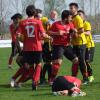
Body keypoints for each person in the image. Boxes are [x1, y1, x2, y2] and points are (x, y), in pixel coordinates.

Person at [17, 5, 51, 90]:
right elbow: (43, 34)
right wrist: (49, 37)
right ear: (34, 13)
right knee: (39, 64)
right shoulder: (38, 22)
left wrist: (21, 39)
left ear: (26, 12)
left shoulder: (22, 22)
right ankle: (35, 81)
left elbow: (18, 35)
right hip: (37, 46)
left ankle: (33, 80)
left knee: (31, 65)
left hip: (27, 48)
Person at [49, 10, 78, 84]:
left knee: (76, 60)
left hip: (67, 46)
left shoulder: (70, 24)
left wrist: (75, 32)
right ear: (65, 18)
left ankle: (73, 78)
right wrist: (57, 33)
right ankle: (52, 79)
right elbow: (48, 32)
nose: (71, 19)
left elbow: (74, 35)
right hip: (58, 46)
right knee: (58, 62)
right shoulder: (56, 24)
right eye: (70, 17)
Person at [69, 3, 89, 84]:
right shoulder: (71, 18)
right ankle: (73, 78)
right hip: (75, 43)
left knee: (81, 61)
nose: (70, 9)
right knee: (75, 61)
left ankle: (86, 78)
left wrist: (74, 32)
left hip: (81, 43)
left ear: (76, 9)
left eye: (72, 8)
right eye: (70, 8)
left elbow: (81, 30)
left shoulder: (78, 18)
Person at [40, 10, 58, 84]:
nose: (54, 15)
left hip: (54, 44)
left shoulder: (57, 22)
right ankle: (44, 78)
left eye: (55, 14)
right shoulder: (47, 20)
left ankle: (48, 78)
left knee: (51, 62)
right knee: (48, 62)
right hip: (47, 43)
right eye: (52, 14)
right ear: (50, 15)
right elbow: (45, 22)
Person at [77, 10, 95, 82]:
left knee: (87, 61)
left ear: (83, 16)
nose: (79, 16)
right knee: (82, 61)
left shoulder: (86, 23)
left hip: (89, 45)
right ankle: (85, 76)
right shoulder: (77, 24)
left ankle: (91, 75)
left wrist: (81, 32)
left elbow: (88, 33)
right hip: (82, 46)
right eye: (78, 15)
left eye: (80, 14)